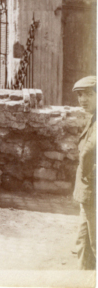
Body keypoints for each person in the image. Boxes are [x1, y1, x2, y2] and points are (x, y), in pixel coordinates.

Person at [73, 75, 96, 270]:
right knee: (84, 244)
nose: (83, 99)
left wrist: (86, 175)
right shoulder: (93, 118)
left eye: (88, 94)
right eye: (80, 95)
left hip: (92, 192)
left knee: (94, 244)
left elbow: (88, 151)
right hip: (88, 194)